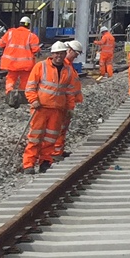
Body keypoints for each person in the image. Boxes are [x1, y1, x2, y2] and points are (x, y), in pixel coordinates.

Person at [23, 41, 80, 173]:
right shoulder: (41, 66)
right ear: (52, 54)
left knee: (50, 138)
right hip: (41, 108)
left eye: (61, 53)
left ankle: (45, 162)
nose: (59, 56)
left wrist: (70, 108)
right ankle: (29, 164)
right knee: (35, 137)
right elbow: (30, 86)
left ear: (65, 54)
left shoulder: (68, 70)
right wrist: (33, 100)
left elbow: (70, 91)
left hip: (57, 109)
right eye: (56, 53)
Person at [0, 16, 39, 108]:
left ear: (20, 24)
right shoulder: (32, 36)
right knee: (25, 80)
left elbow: (1, 44)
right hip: (26, 64)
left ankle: (10, 93)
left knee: (11, 78)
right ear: (29, 25)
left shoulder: (10, 33)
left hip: (11, 63)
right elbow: (35, 49)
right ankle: (21, 97)